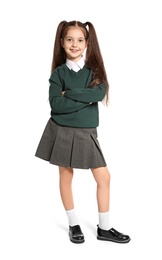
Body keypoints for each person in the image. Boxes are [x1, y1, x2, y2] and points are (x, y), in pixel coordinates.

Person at [35, 20, 131, 244]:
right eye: (69, 39)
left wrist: (69, 94)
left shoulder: (94, 72)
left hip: (87, 131)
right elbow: (56, 106)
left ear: (87, 43)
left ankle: (104, 228)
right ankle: (73, 224)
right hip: (61, 130)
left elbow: (97, 95)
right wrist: (81, 99)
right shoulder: (58, 73)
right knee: (66, 176)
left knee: (104, 177)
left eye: (79, 40)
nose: (74, 44)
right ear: (62, 42)